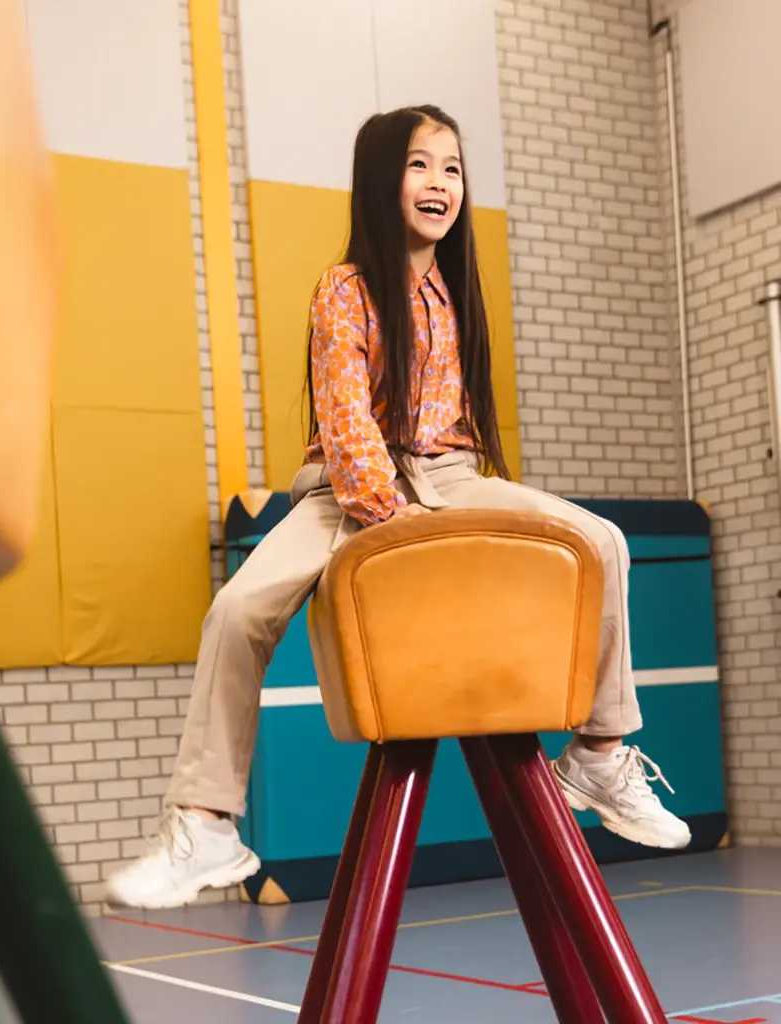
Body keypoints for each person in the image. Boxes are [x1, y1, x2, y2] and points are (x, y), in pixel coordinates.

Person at [103, 104, 690, 911]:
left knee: (602, 541)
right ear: (383, 179)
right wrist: (389, 515)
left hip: (449, 474)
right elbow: (347, 420)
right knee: (236, 611)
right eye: (420, 164)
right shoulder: (344, 289)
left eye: (452, 168)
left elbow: (458, 430)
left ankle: (598, 751)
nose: (439, 182)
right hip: (346, 488)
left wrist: (454, 504)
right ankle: (205, 823)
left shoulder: (454, 293)